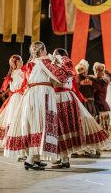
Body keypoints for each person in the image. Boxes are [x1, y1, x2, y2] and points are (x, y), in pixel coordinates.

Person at [4, 41, 69, 170]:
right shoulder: (44, 61)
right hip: (41, 93)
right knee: (42, 123)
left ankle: (36, 159)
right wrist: (61, 62)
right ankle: (30, 160)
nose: (46, 51)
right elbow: (61, 76)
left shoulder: (31, 63)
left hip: (32, 93)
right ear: (40, 50)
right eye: (44, 49)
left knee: (35, 124)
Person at [50, 48, 111, 168]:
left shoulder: (60, 68)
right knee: (64, 128)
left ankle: (63, 158)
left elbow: (65, 83)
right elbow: (75, 87)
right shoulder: (69, 69)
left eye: (55, 55)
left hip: (60, 99)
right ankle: (63, 157)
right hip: (68, 98)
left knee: (62, 128)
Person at [0, 55, 24, 150]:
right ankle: (18, 147)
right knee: (19, 120)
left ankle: (14, 145)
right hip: (19, 97)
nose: (22, 63)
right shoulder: (20, 72)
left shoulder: (12, 73)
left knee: (13, 120)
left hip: (14, 98)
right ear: (17, 63)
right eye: (21, 61)